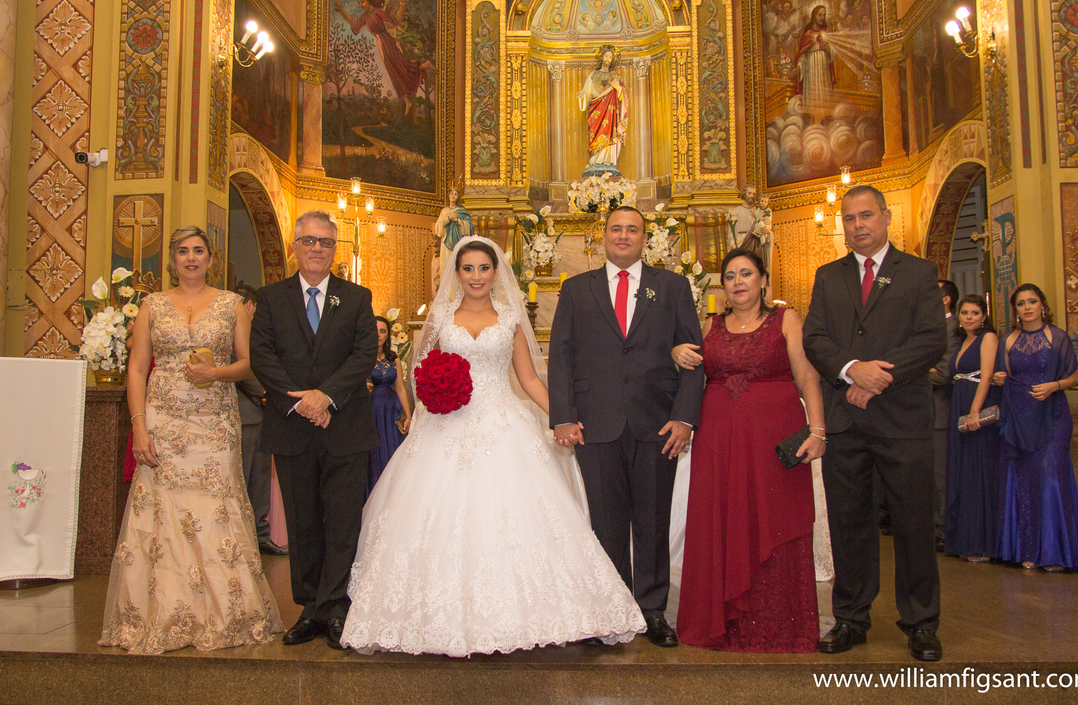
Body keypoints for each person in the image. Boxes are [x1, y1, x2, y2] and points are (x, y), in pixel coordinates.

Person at [342, 237, 645, 656]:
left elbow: (530, 379)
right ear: (457, 273)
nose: (476, 277)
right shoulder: (441, 317)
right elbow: (418, 371)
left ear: (496, 272)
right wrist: (434, 393)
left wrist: (562, 416)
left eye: (484, 268)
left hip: (503, 424)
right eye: (468, 269)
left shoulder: (510, 320)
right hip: (446, 427)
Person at [100, 226, 283, 654]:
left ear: (210, 259)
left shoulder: (231, 304)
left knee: (214, 511)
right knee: (162, 515)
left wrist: (215, 373)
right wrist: (139, 426)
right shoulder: (151, 305)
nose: (191, 258)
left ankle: (223, 613)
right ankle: (163, 612)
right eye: (183, 251)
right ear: (172, 259)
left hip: (214, 422)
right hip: (163, 419)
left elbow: (249, 363)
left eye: (199, 250)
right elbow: (136, 369)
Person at [802, 185, 948, 662]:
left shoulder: (920, 273)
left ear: (886, 218)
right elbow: (816, 338)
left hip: (902, 418)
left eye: (866, 216)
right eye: (849, 218)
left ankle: (921, 622)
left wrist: (876, 375)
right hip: (847, 420)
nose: (858, 225)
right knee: (849, 523)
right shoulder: (828, 277)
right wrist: (849, 371)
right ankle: (850, 617)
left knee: (912, 523)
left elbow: (931, 340)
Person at [549, 206, 705, 648]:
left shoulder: (671, 287)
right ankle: (611, 608)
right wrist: (562, 414)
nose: (623, 236)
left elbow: (693, 357)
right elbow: (560, 355)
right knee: (606, 522)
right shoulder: (576, 289)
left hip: (657, 424)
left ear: (644, 237)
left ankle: (652, 610)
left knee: (653, 520)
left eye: (632, 229)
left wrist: (685, 417)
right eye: (616, 229)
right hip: (595, 426)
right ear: (603, 237)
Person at [671, 248, 827, 652]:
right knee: (721, 519)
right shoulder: (710, 325)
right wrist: (676, 353)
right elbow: (690, 372)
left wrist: (819, 429)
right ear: (722, 287)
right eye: (730, 276)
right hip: (719, 443)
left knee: (774, 518)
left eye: (746, 274)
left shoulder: (785, 319)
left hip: (774, 437)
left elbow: (806, 375)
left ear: (762, 280)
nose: (738, 282)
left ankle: (780, 626)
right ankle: (720, 624)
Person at [249, 211, 379, 650]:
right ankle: (309, 608)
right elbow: (262, 356)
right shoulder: (269, 298)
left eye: (325, 242)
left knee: (342, 520)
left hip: (344, 425)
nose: (317, 249)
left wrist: (325, 397)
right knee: (303, 521)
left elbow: (363, 354)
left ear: (335, 249)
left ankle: (336, 607)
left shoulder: (357, 298)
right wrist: (301, 401)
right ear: (294, 246)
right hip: (291, 427)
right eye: (308, 241)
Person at [991, 284, 1078, 572]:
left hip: (1053, 416)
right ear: (1016, 310)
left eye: (1032, 301)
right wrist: (999, 378)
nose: (1027, 307)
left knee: (1050, 476)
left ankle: (1055, 553)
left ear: (1042, 305)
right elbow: (1002, 376)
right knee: (1022, 482)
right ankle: (1028, 550)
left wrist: (1054, 386)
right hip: (1018, 420)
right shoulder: (1007, 339)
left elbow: (1073, 377)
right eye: (1021, 303)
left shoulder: (1057, 336)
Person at [945, 294, 1001, 562]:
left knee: (979, 471)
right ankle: (964, 541)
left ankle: (982, 544)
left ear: (984, 316)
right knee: (963, 471)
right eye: (964, 312)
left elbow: (987, 375)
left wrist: (975, 412)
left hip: (977, 405)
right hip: (959, 402)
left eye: (974, 313)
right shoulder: (962, 341)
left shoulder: (987, 338)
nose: (968, 317)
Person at [234, 284, 286, 556]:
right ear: (251, 305)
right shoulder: (235, 330)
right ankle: (242, 536)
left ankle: (260, 534)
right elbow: (243, 369)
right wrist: (267, 392)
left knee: (261, 478)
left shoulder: (261, 331)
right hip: (245, 411)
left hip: (265, 414)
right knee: (242, 477)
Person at [930, 279, 962, 552]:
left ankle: (942, 530)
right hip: (925, 413)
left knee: (940, 476)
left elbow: (942, 374)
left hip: (940, 409)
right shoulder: (931, 328)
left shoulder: (952, 329)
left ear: (945, 300)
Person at [366, 315, 412, 494]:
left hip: (391, 410)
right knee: (374, 456)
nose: (378, 335)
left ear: (387, 336)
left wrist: (408, 417)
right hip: (372, 410)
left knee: (393, 453)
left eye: (382, 331)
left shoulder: (394, 359)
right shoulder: (362, 358)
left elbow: (400, 388)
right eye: (374, 330)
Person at [577, 44, 630, 171]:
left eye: (610, 57)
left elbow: (624, 97)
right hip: (596, 110)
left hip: (611, 113)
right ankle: (595, 161)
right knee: (596, 133)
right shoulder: (593, 75)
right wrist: (582, 95)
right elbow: (587, 92)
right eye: (606, 56)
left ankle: (608, 160)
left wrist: (617, 88)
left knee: (610, 133)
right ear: (601, 58)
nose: (608, 58)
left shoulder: (615, 77)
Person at [792, 5, 836, 121]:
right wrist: (799, 66)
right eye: (820, 14)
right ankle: (812, 120)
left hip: (823, 70)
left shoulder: (825, 33)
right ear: (814, 16)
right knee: (812, 96)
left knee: (824, 95)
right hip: (810, 70)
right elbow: (802, 54)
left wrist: (827, 48)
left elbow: (833, 52)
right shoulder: (807, 34)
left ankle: (825, 119)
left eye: (824, 15)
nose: (822, 17)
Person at [434, 188, 473, 290]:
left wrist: (458, 221)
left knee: (457, 267)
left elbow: (469, 227)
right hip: (446, 244)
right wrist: (448, 218)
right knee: (446, 268)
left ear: (458, 197)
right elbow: (438, 228)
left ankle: (458, 295)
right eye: (451, 193)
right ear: (448, 195)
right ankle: (447, 296)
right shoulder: (444, 211)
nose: (453, 195)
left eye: (455, 194)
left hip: (458, 244)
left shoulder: (462, 212)